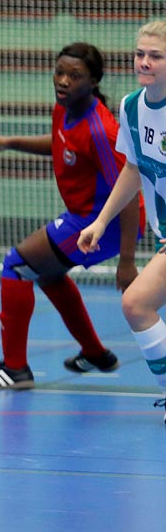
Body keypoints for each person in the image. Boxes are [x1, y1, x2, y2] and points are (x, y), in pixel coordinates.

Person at [0, 42, 139, 389]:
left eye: (74, 76)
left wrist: (127, 260)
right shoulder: (65, 109)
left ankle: (15, 369)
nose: (63, 81)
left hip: (103, 223)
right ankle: (95, 353)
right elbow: (61, 144)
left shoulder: (101, 130)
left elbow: (131, 191)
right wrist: (8, 142)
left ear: (94, 82)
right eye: (59, 72)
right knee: (48, 273)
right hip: (84, 216)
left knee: (16, 265)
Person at [78, 21, 166, 423]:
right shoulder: (132, 106)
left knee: (136, 302)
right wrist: (100, 221)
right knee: (136, 305)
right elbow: (133, 167)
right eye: (140, 54)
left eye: (156, 56)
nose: (144, 62)